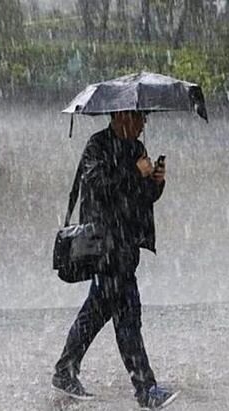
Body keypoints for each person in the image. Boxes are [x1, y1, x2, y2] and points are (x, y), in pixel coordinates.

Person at [52, 111, 178, 409]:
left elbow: (143, 196)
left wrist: (155, 182)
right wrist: (134, 172)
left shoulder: (137, 148)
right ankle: (145, 389)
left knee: (97, 311)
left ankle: (65, 370)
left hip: (127, 245)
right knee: (127, 317)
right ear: (122, 116)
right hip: (105, 247)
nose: (143, 124)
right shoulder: (97, 146)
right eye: (140, 118)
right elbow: (97, 186)